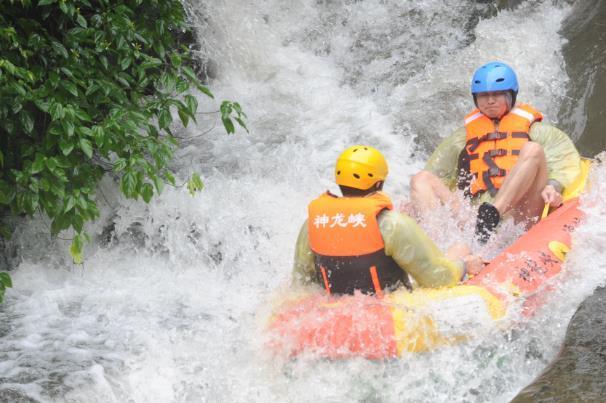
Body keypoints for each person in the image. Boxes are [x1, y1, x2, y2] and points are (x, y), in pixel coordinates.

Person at [410, 61, 582, 243]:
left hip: (520, 214)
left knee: (533, 149)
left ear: (511, 94)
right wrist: (417, 204)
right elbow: (438, 176)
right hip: (474, 219)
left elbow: (566, 165)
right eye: (483, 95)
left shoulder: (538, 132)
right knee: (421, 178)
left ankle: (492, 214)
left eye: (498, 94)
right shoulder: (461, 139)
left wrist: (553, 187)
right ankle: (437, 247)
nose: (490, 101)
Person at [291, 145, 483, 296]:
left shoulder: (312, 225)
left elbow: (302, 283)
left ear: (339, 182)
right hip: (392, 311)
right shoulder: (392, 224)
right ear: (379, 183)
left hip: (342, 311)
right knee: (460, 248)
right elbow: (435, 278)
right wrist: (464, 266)